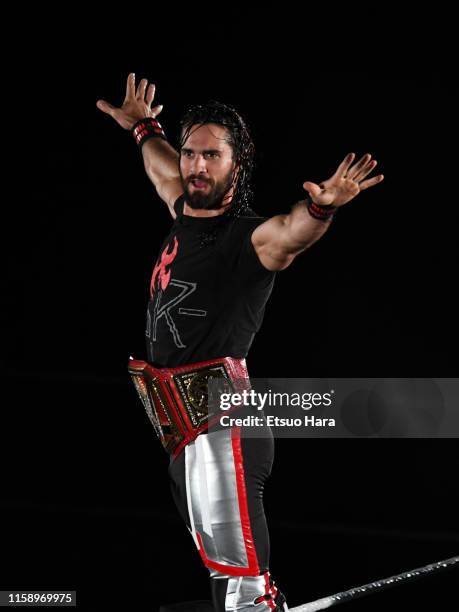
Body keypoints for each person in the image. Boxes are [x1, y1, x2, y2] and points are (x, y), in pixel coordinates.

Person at [96, 74, 384, 612]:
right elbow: (159, 165)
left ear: (237, 164)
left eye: (212, 156)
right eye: (191, 154)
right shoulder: (181, 209)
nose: (196, 166)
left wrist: (323, 208)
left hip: (223, 416)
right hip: (180, 428)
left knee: (245, 589)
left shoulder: (248, 239)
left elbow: (290, 232)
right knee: (218, 578)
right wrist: (141, 126)